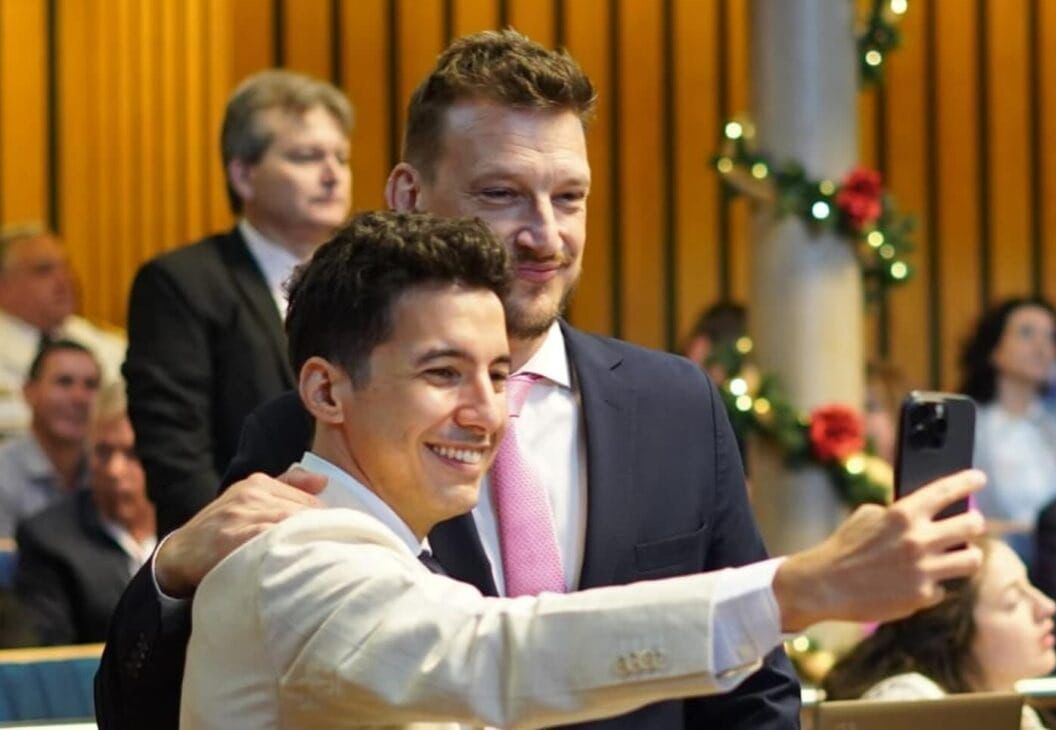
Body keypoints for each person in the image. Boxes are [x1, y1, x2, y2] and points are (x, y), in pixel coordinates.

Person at [97, 30, 985, 730]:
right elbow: (490, 654)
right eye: (499, 195)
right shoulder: (298, 518)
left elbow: (752, 697)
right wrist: (803, 588)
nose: (544, 236)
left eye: (568, 197)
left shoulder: (674, 404)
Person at [180, 210, 986, 728]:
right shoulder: (295, 555)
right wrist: (799, 590)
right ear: (326, 391)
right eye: (442, 373)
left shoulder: (387, 552)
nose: (487, 413)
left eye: (498, 374)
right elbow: (491, 653)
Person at [123, 69, 354, 535]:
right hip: (240, 549)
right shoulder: (182, 284)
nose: (333, 175)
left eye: (341, 157)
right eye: (307, 157)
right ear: (244, 175)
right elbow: (177, 459)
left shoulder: (370, 282)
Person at [822, 538, 1056, 730]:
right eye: (1012, 602)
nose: (1047, 606)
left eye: (1030, 585)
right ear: (953, 632)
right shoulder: (908, 705)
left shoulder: (1015, 710)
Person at [14, 381, 156, 645]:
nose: (114, 470)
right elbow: (50, 655)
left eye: (132, 454)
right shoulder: (49, 539)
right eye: (103, 452)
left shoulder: (193, 525)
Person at [959, 297, 1056, 562]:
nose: (1043, 347)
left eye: (1051, 337)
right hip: (997, 557)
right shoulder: (971, 424)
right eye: (1027, 333)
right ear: (994, 349)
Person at [0, 224, 124, 438]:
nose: (64, 280)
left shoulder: (108, 344)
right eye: (43, 271)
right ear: (3, 286)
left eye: (65, 267)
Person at [0, 340, 100, 538]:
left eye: (90, 385)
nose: (79, 398)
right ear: (29, 392)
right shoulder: (3, 476)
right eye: (64, 382)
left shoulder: (109, 474)